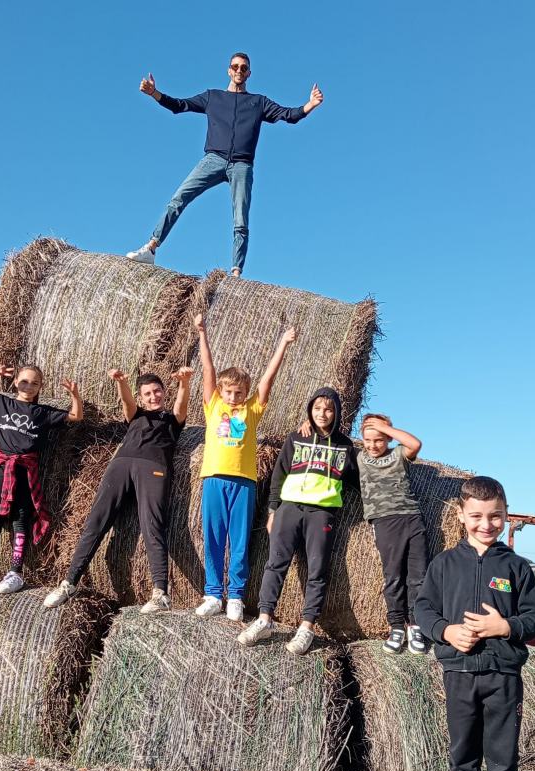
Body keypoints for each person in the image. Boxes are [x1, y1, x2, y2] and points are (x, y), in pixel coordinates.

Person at [415, 476, 535, 771]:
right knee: (463, 751)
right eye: (476, 516)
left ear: (505, 515)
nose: (486, 524)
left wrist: (505, 627)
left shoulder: (516, 567)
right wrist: (446, 631)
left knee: (502, 755)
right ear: (460, 515)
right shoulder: (444, 564)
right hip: (458, 672)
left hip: (502, 676)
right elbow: (424, 608)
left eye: (495, 516)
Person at [127, 52, 323, 277]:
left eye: (244, 68)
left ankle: (236, 273)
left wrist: (311, 104)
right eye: (235, 67)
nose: (239, 71)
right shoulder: (213, 97)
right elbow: (180, 105)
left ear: (249, 73)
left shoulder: (258, 102)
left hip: (242, 165)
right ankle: (151, 248)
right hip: (213, 159)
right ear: (228, 70)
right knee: (178, 199)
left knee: (240, 220)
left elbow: (289, 115)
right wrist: (154, 93)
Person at [44, 366, 192, 611]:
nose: (153, 396)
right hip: (121, 465)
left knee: (152, 524)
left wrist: (185, 383)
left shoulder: (171, 419)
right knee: (96, 522)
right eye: (148, 394)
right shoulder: (136, 415)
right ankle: (68, 583)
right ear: (141, 397)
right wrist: (121, 382)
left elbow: (181, 405)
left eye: (157, 391)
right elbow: (127, 403)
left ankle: (160, 593)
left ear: (164, 393)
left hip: (154, 468)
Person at [238, 387, 358, 655]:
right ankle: (265, 619)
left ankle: (306, 628)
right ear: (309, 410)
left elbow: (359, 481)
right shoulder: (296, 438)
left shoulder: (345, 446)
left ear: (337, 412)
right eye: (317, 408)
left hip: (322, 513)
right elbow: (278, 476)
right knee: (275, 564)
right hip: (290, 508)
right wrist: (272, 511)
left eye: (328, 409)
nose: (322, 414)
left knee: (317, 570)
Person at [194, 313, 295, 621]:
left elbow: (268, 380)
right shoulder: (214, 405)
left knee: (239, 540)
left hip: (243, 482)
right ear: (221, 392)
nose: (234, 397)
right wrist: (202, 332)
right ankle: (213, 593)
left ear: (246, 392)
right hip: (213, 479)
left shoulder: (251, 410)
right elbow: (208, 368)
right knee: (212, 537)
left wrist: (283, 344)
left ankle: (235, 595)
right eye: (229, 392)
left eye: (239, 392)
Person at [0, 363, 83, 594]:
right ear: (15, 381)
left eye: (35, 383)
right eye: (24, 381)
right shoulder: (2, 403)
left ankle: (15, 573)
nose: (28, 386)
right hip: (1, 467)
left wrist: (75, 395)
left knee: (21, 518)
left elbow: (76, 417)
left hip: (25, 470)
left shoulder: (43, 413)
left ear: (40, 387)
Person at [357, 413, 429, 655]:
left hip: (412, 517)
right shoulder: (360, 458)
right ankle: (397, 626)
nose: (373, 445)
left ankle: (415, 626)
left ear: (388, 438)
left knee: (418, 576)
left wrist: (386, 428)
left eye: (379, 439)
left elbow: (415, 444)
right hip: (385, 521)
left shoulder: (398, 454)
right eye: (368, 439)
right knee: (394, 576)